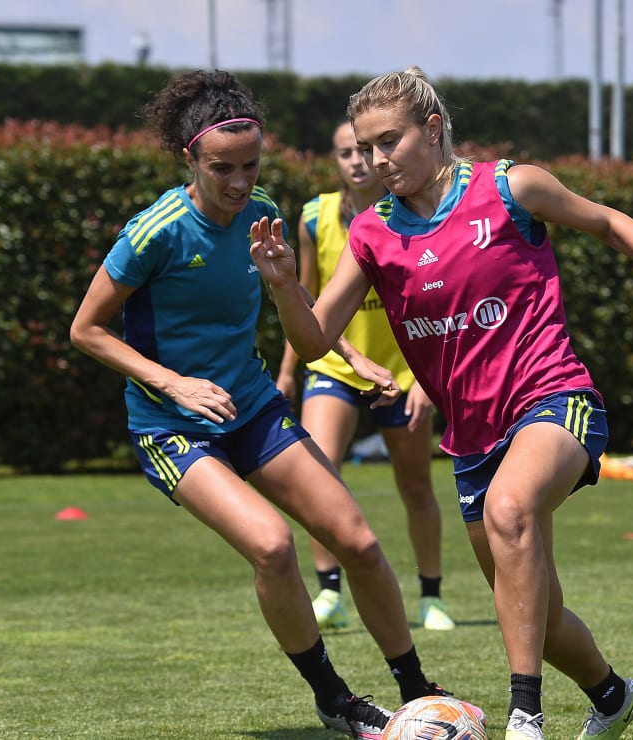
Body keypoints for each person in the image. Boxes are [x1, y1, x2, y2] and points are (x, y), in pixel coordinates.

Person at [251, 67, 633, 740]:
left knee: (509, 508)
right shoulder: (372, 235)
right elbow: (313, 343)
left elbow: (604, 221)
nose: (374, 160)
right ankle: (612, 696)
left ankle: (525, 718)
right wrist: (284, 288)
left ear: (433, 130)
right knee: (536, 619)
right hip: (472, 438)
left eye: (388, 141)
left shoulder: (510, 187)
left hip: (555, 398)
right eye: (365, 148)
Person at [69, 69, 471, 739]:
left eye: (249, 165)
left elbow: (304, 312)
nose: (237, 181)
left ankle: (414, 690)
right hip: (173, 428)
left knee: (361, 543)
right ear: (189, 158)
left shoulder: (263, 216)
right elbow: (86, 330)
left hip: (251, 408)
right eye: (221, 167)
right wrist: (172, 384)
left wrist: (359, 359)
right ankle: (334, 697)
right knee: (274, 547)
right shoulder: (155, 232)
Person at [276, 117, 455, 633]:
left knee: (416, 486)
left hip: (402, 372)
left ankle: (431, 596)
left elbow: (440, 298)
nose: (358, 161)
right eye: (346, 153)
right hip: (335, 364)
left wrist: (427, 377)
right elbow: (301, 299)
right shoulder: (315, 217)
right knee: (319, 471)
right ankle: (329, 591)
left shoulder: (411, 216)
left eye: (365, 149)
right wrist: (289, 370)